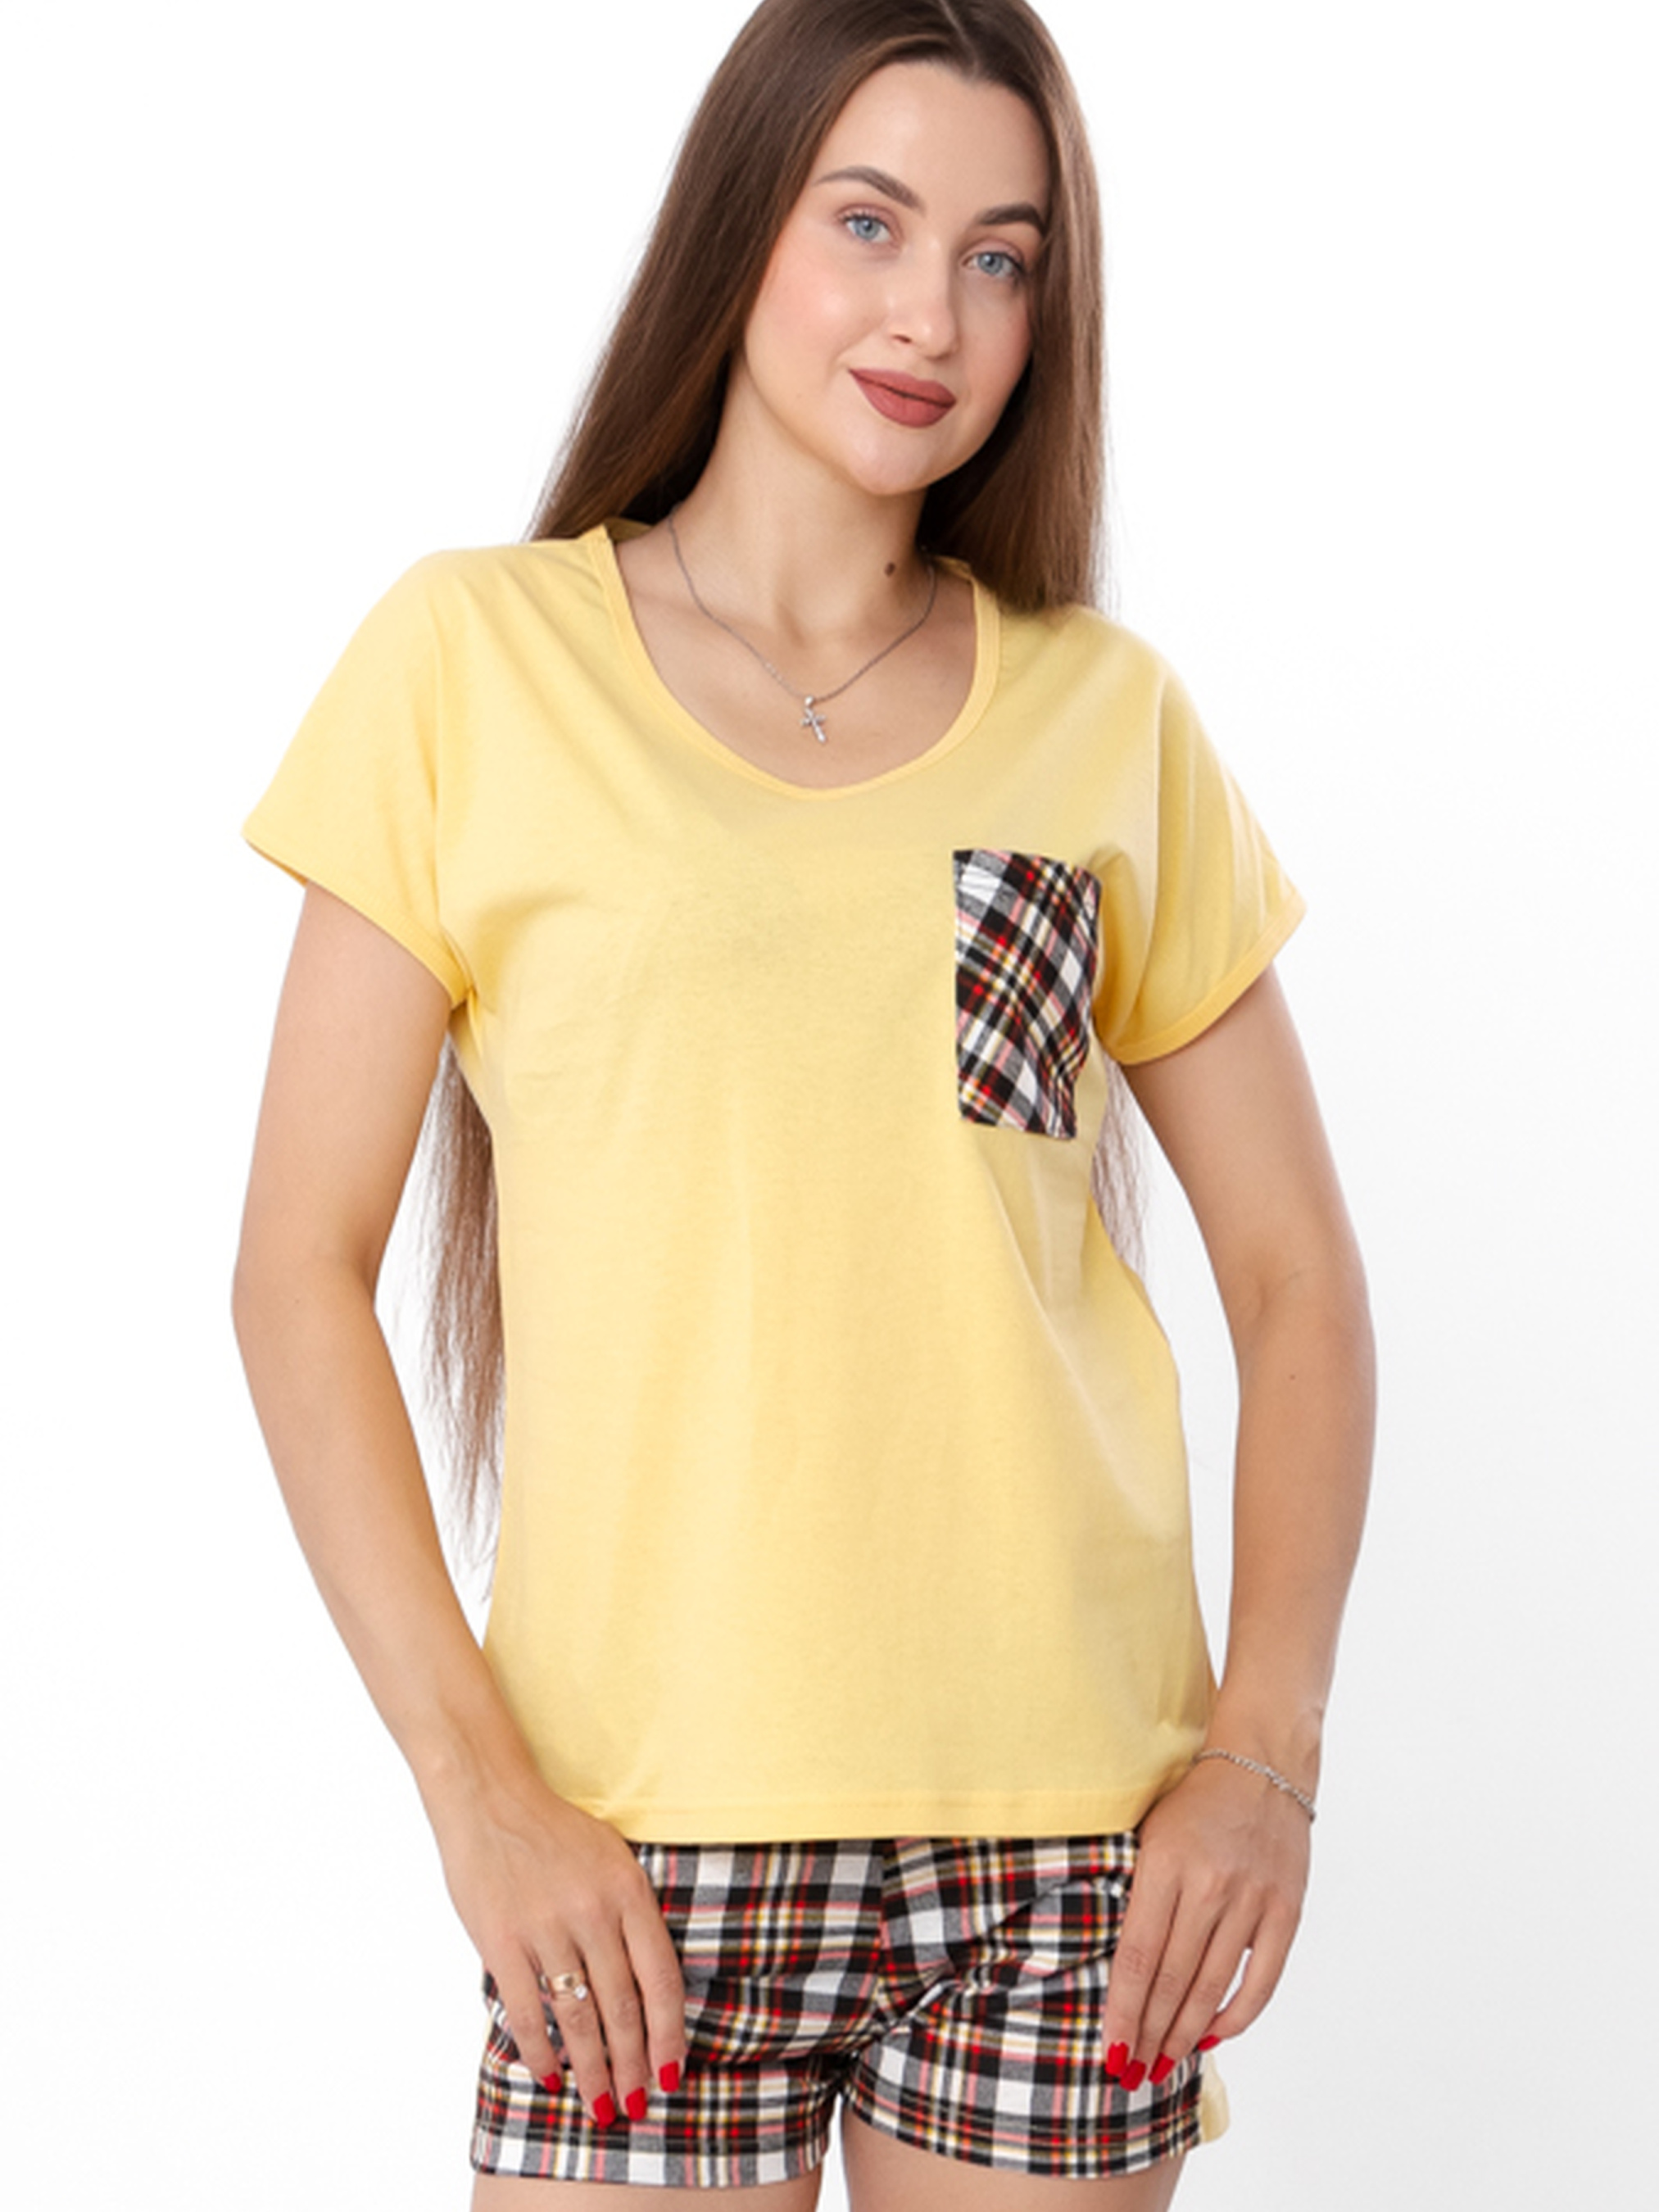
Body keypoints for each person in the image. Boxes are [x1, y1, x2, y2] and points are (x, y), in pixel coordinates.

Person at [233, 1, 1374, 2205]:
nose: (931, 312)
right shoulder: (473, 661)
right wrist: (477, 1793)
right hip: (626, 1852)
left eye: (999, 256)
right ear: (740, 221)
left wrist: (1265, 1748)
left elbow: (1295, 1275)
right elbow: (297, 1270)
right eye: (869, 222)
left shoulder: (1103, 717)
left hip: (1066, 1840)